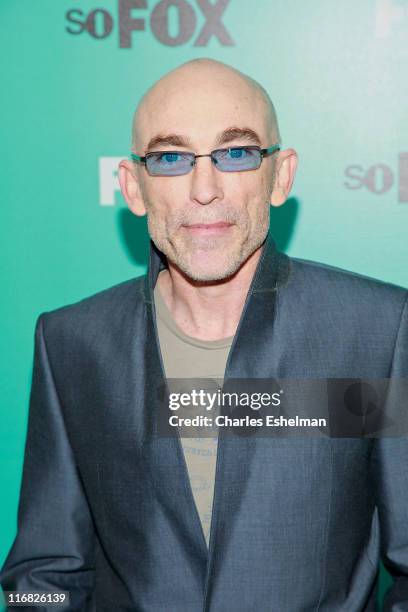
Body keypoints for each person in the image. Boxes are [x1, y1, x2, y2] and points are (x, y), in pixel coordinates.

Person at [0, 58, 407, 612]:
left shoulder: (374, 332)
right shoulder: (73, 343)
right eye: (170, 158)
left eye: (235, 153)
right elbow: (42, 579)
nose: (204, 189)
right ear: (133, 187)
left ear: (280, 175)